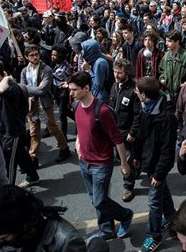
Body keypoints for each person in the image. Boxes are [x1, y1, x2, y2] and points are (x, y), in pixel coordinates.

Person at [68, 71, 134, 240]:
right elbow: (80, 129)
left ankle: (125, 215)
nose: (71, 93)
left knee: (99, 201)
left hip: (101, 164)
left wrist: (124, 164)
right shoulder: (76, 106)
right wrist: (78, 144)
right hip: (84, 162)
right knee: (96, 199)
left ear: (86, 88)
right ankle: (106, 230)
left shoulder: (102, 111)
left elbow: (117, 139)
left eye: (74, 90)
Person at [130, 76, 178, 251]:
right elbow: (141, 136)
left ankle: (154, 236)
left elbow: (167, 150)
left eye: (137, 91)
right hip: (149, 160)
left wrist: (159, 174)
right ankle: (172, 218)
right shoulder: (145, 108)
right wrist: (137, 156)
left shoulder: (167, 118)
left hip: (158, 166)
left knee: (154, 202)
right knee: (162, 191)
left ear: (144, 94)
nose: (135, 93)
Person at [0, 61, 40, 187]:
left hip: (12, 132)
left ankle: (8, 189)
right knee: (21, 155)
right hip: (2, 130)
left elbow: (1, 91)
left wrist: (6, 77)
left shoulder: (11, 88)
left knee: (8, 162)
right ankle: (33, 176)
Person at [0, 185, 89, 252]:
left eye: (2, 238)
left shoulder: (66, 241)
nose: (0, 243)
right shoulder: (17, 239)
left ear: (21, 226)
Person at [21, 45, 71, 163]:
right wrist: (32, 89)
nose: (35, 57)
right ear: (26, 57)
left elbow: (42, 90)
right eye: (32, 55)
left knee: (53, 128)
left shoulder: (46, 69)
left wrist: (28, 88)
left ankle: (64, 148)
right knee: (33, 132)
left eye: (36, 54)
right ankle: (33, 156)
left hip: (44, 104)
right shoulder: (24, 71)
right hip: (31, 104)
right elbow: (22, 88)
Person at [110, 59, 141, 202]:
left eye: (119, 73)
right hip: (116, 131)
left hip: (127, 132)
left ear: (127, 72)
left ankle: (128, 186)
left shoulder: (133, 90)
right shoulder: (114, 86)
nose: (116, 75)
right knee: (119, 156)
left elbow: (138, 114)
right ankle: (137, 166)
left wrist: (132, 133)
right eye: (115, 72)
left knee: (126, 160)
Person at [160, 30, 186, 101]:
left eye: (169, 41)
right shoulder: (166, 56)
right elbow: (161, 70)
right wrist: (162, 79)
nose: (166, 43)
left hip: (183, 94)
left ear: (177, 42)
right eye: (166, 41)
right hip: (169, 94)